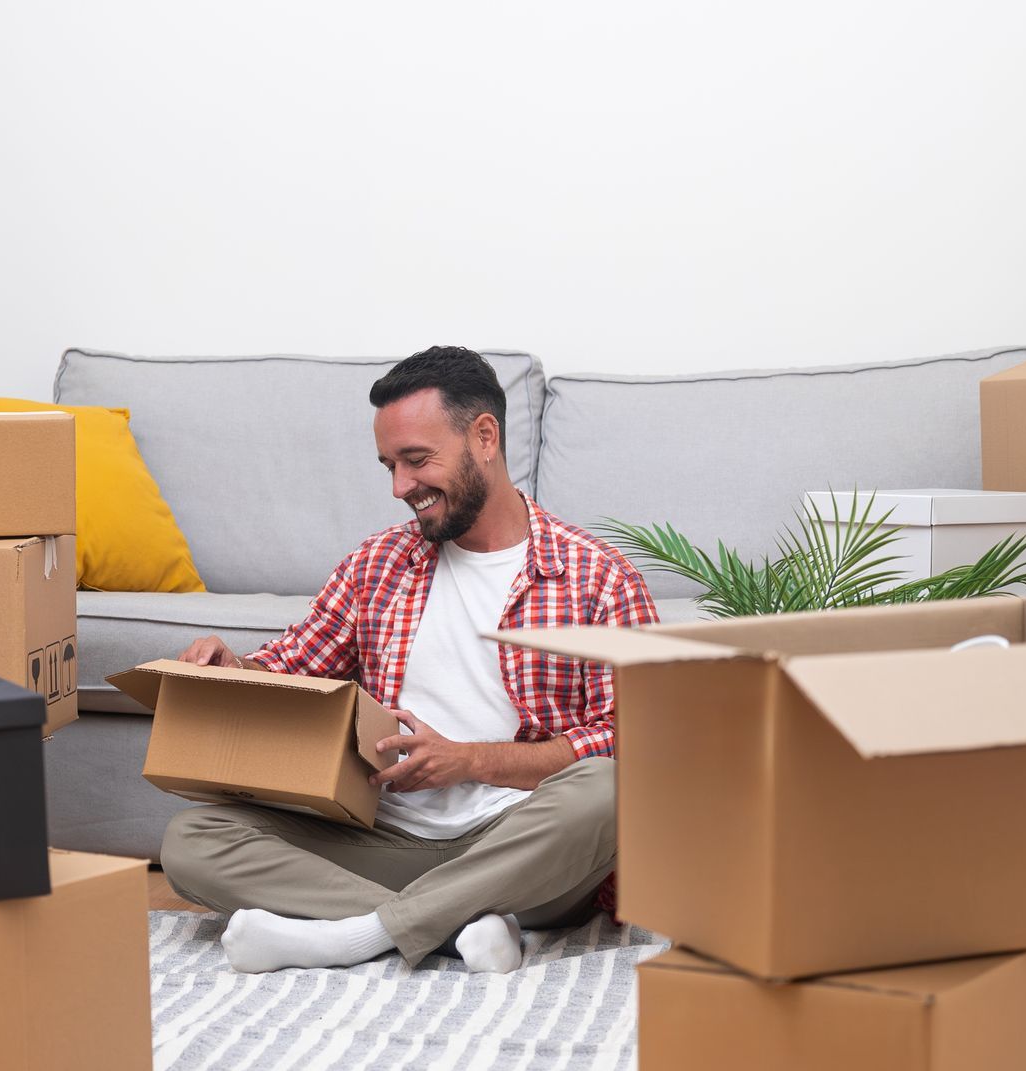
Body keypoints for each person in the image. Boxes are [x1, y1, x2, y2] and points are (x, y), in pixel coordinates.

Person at [163, 346, 658, 975]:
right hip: (383, 840)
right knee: (191, 840)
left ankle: (352, 936)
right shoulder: (377, 565)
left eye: (417, 461)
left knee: (610, 791)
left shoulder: (599, 579)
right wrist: (232, 672)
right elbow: (294, 664)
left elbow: (633, 745)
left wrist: (468, 760)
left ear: (485, 438)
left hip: (519, 847)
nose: (401, 488)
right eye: (390, 466)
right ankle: (456, 929)